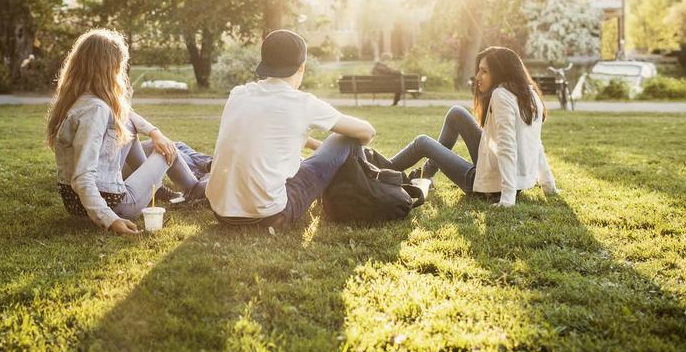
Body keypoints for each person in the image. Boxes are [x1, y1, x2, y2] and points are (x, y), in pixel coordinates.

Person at [207, 29, 376, 230]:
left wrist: (317, 146)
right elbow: (367, 132)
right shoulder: (303, 103)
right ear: (301, 67)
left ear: (264, 64)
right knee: (345, 139)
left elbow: (270, 135)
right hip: (271, 215)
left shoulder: (238, 94)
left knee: (330, 146)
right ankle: (373, 192)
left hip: (221, 213)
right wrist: (342, 150)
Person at [46, 29, 209, 235]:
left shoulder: (84, 100)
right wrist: (111, 220)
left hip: (79, 202)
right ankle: (194, 190)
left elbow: (126, 115)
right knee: (168, 150)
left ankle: (162, 186)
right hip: (114, 205)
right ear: (109, 68)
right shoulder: (96, 110)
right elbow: (82, 177)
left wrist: (154, 132)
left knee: (137, 132)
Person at [387, 46, 557, 207]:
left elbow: (507, 147)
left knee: (422, 142)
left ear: (500, 72)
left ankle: (378, 171)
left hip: (489, 186)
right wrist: (549, 187)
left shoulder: (501, 95)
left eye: (484, 71)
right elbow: (536, 145)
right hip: (504, 177)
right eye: (479, 70)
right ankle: (427, 174)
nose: (477, 76)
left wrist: (508, 196)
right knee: (456, 113)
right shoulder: (530, 94)